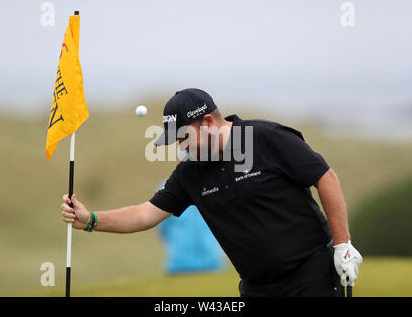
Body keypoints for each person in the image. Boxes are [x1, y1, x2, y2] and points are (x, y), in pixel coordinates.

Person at [61, 88, 363, 297]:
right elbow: (145, 213)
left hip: (312, 279)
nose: (181, 147)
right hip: (257, 288)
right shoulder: (189, 173)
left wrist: (342, 245)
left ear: (207, 122)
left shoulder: (266, 138)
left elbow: (325, 177)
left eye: (183, 137)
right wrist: (90, 219)